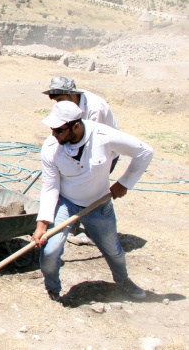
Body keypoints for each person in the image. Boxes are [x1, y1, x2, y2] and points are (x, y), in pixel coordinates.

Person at [31, 101, 153, 302]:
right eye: (52, 129)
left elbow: (145, 152)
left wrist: (124, 183)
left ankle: (123, 281)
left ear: (76, 126)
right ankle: (52, 288)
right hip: (67, 203)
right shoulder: (51, 148)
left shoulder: (103, 136)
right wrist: (42, 224)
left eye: (59, 130)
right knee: (51, 250)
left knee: (113, 250)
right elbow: (51, 187)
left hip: (98, 204)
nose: (54, 134)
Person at [43, 76, 119, 245]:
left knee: (92, 190)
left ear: (72, 95)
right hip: (78, 150)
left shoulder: (94, 109)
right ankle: (72, 222)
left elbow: (91, 141)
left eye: (61, 100)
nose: (59, 105)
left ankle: (96, 234)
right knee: (70, 185)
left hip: (103, 154)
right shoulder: (68, 106)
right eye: (56, 101)